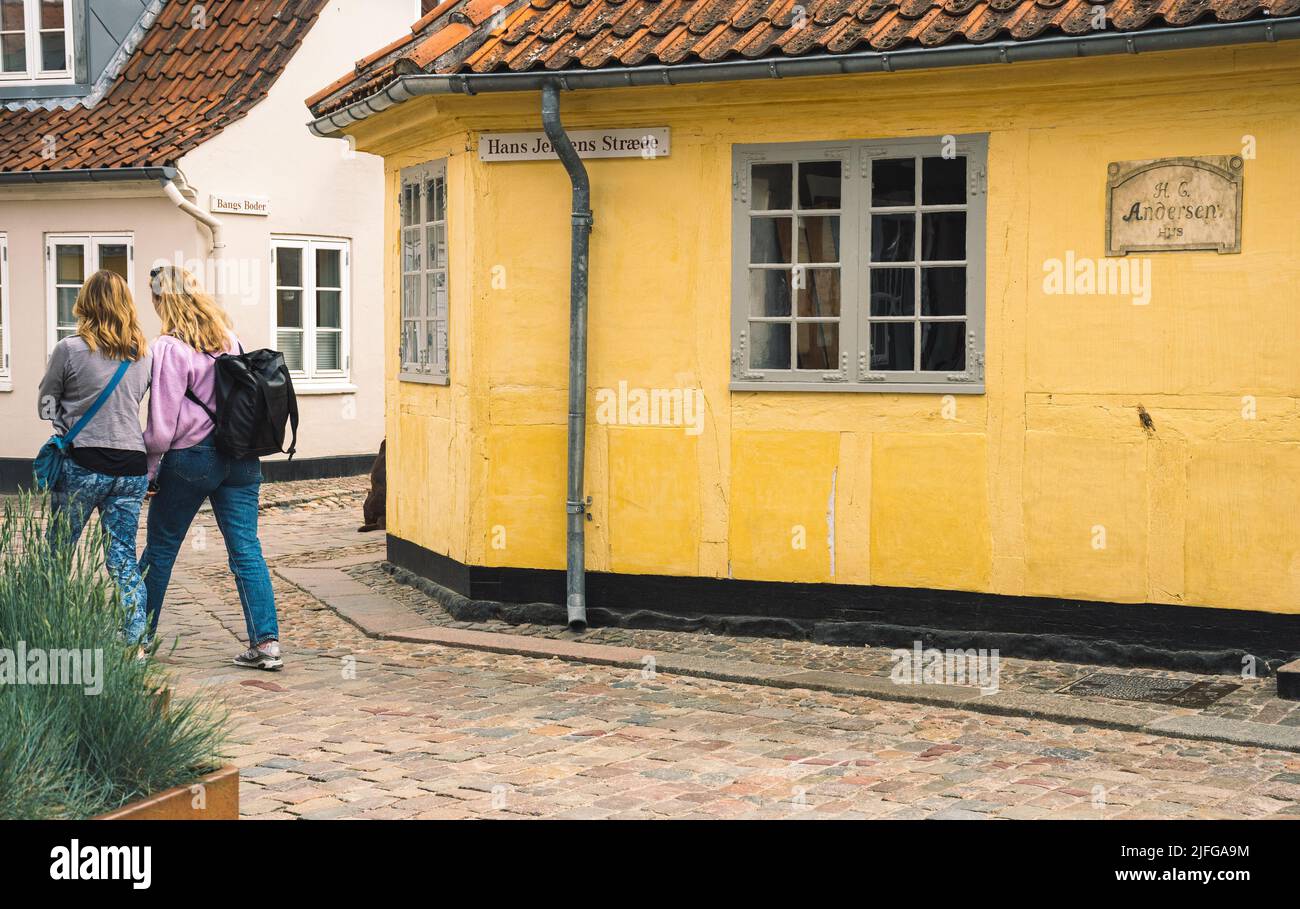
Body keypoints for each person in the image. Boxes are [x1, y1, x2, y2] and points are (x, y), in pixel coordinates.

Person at [139, 266, 283, 670]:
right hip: (240, 457)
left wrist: (149, 471)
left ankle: (136, 639)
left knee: (161, 549)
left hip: (191, 458)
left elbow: (161, 428)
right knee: (246, 549)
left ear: (160, 301)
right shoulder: (229, 338)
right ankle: (266, 643)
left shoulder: (168, 347)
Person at [37, 270, 152, 645]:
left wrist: (64, 420)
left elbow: (45, 404)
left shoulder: (69, 349)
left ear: (85, 303)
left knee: (57, 549)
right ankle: (135, 638)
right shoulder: (143, 354)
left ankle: (50, 627)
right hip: (133, 467)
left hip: (84, 465)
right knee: (122, 556)